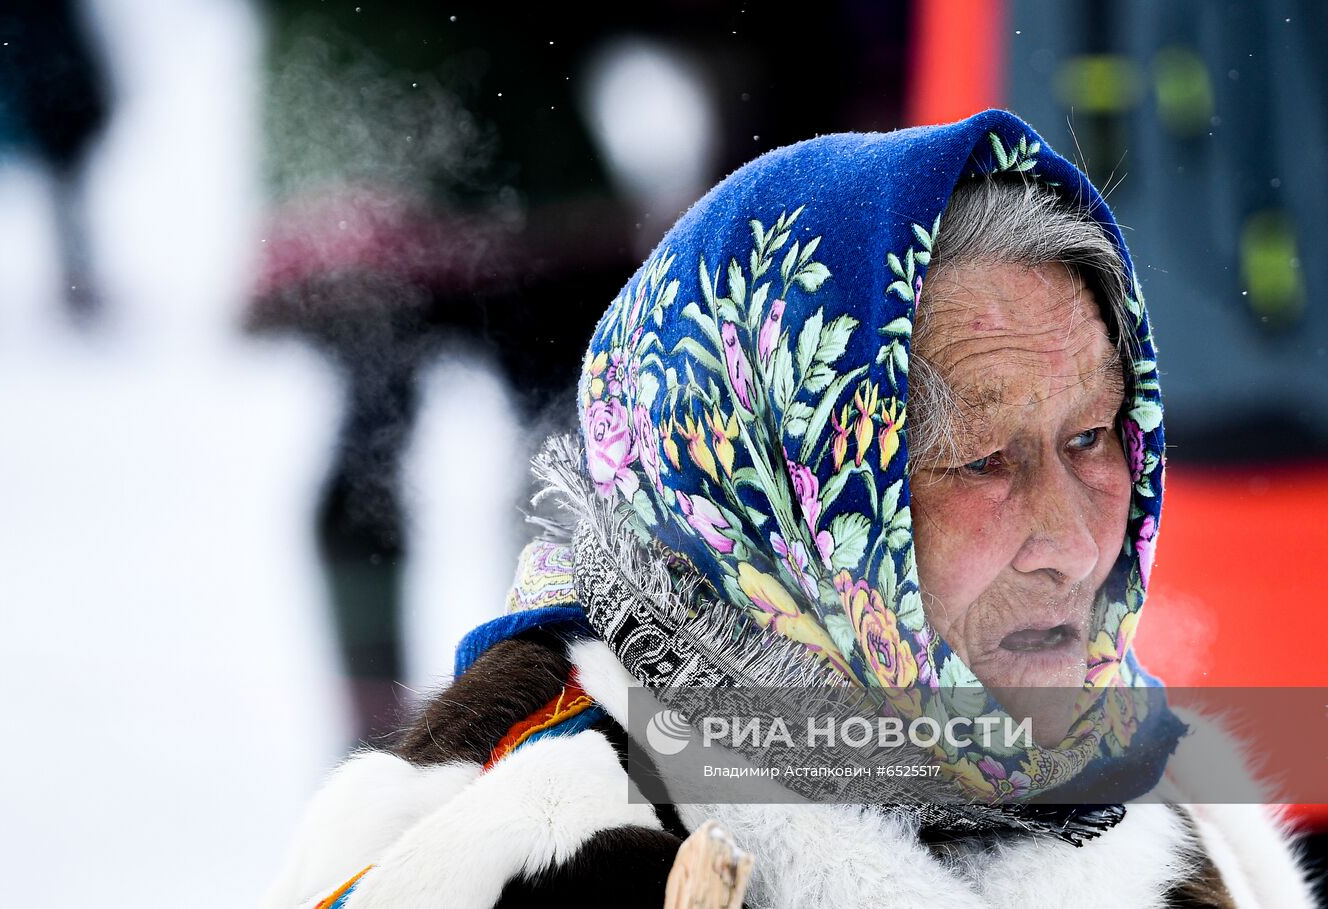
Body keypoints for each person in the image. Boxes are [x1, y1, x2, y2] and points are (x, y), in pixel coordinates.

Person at [263, 109, 1316, 908]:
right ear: (778, 484)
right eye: (983, 462)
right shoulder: (525, 838)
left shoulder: (1149, 792)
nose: (1078, 540)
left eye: (1091, 440)